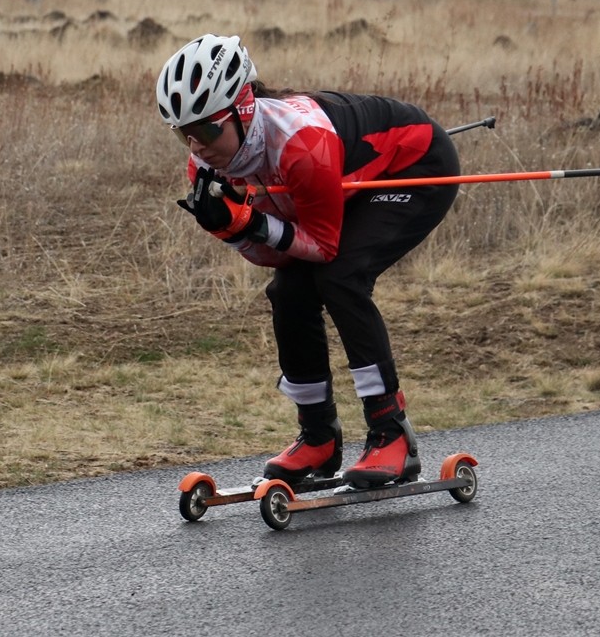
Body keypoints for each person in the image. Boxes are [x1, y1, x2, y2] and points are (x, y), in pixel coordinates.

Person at [156, 34, 460, 488]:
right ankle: (319, 436)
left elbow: (321, 247)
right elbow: (274, 257)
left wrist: (248, 225)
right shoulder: (205, 166)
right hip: (347, 177)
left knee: (340, 277)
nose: (196, 147)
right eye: (184, 133)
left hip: (415, 166)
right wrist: (232, 230)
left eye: (205, 130)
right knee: (289, 290)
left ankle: (391, 432)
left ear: (242, 110)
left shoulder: (301, 144)